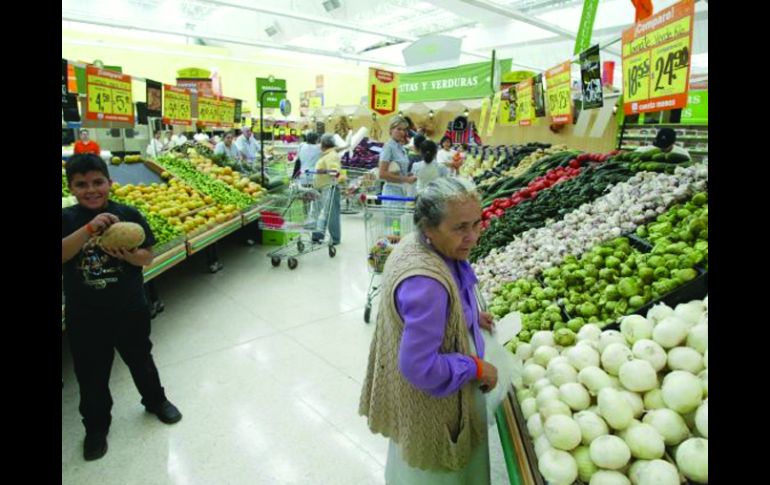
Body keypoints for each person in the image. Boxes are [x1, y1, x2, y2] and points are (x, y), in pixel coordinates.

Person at [359, 177, 497, 484]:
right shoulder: (426, 282)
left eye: (477, 223)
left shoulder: (417, 245)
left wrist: (470, 315)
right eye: (460, 228)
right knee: (441, 471)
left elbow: (437, 310)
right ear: (428, 228)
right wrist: (475, 367)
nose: (473, 237)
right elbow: (420, 367)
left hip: (412, 408)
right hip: (434, 410)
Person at [62, 154, 182, 461]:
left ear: (110, 183)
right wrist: (89, 230)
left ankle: (155, 401)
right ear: (71, 188)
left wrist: (130, 255)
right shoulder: (67, 219)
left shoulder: (128, 213)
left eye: (98, 182)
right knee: (91, 374)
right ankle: (96, 428)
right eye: (82, 184)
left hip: (129, 308)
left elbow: (147, 256)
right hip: (85, 314)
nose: (91, 190)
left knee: (141, 358)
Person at [312, 134, 344, 245]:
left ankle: (335, 239)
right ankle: (318, 235)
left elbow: (334, 172)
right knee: (322, 214)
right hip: (323, 188)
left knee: (331, 214)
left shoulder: (331, 155)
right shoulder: (328, 154)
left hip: (330, 188)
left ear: (323, 144)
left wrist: (321, 172)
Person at [378, 117, 417, 201]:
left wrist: (407, 174)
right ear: (391, 130)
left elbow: (399, 171)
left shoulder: (401, 148)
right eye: (398, 129)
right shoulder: (388, 147)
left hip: (403, 191)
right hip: (391, 193)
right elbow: (382, 174)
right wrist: (406, 179)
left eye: (404, 130)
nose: (402, 132)